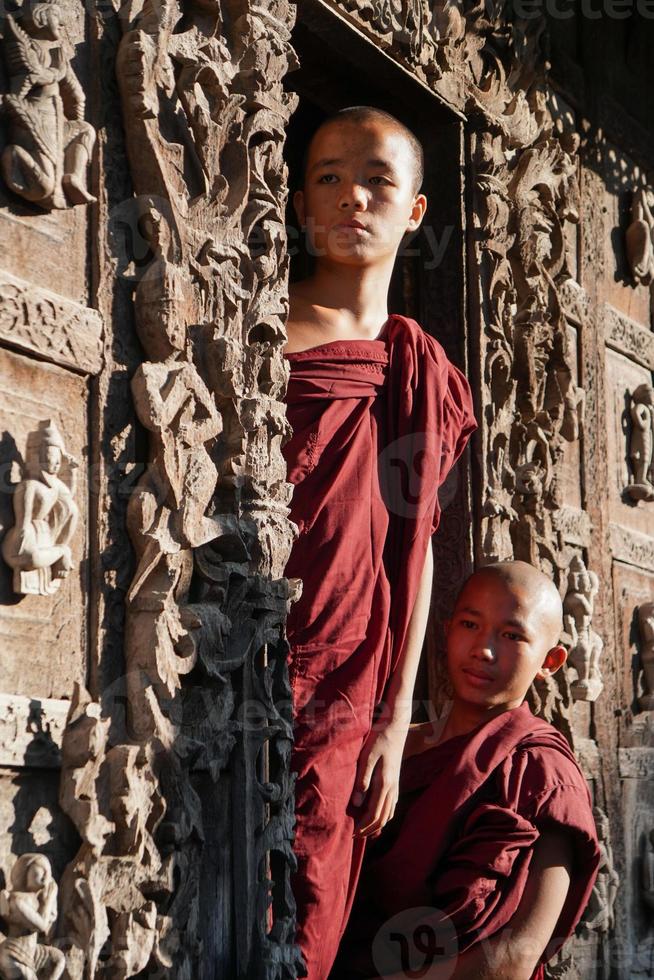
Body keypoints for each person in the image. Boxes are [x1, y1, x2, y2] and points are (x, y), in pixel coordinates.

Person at [282, 105, 477, 979]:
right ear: (296, 202)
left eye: (376, 181)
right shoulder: (253, 331)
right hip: (229, 650)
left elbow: (418, 547)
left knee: (307, 920)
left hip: (350, 681)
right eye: (328, 177)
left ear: (416, 211)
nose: (351, 197)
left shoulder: (419, 370)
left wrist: (397, 720)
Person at [333, 561, 601, 980]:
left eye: (512, 635)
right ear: (446, 631)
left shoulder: (542, 773)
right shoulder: (391, 749)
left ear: (551, 660)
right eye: (470, 624)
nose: (484, 649)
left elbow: (515, 956)